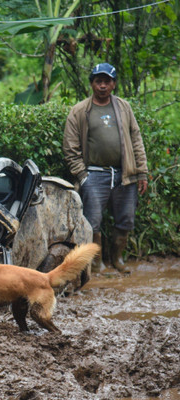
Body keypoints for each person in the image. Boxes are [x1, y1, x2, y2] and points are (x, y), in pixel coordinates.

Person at [62, 63, 148, 273]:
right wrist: (83, 175)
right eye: (98, 81)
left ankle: (117, 260)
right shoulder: (80, 111)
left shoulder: (124, 107)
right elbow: (70, 146)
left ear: (113, 84)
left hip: (124, 175)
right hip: (94, 175)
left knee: (126, 218)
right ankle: (96, 263)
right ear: (92, 84)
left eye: (107, 81)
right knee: (93, 221)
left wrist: (142, 171)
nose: (102, 85)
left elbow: (136, 139)